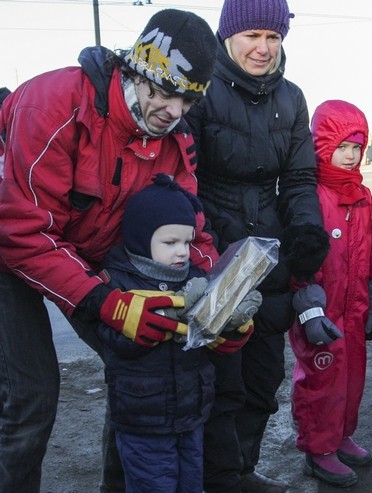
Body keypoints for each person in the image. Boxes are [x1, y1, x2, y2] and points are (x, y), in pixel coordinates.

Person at [0, 10, 218, 493]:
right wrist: (104, 301)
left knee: (143, 366)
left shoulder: (175, 139)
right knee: (30, 397)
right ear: (137, 68)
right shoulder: (52, 106)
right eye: (166, 91)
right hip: (9, 250)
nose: (175, 110)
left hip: (90, 253)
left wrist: (220, 299)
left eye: (188, 99)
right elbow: (21, 232)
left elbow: (191, 229)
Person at [184, 1, 329, 491]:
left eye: (273, 37)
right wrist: (224, 244)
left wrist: (306, 231)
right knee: (221, 380)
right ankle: (217, 478)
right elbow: (188, 179)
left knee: (264, 379)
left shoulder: (291, 98)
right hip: (214, 251)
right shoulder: (200, 94)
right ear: (228, 36)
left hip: (272, 255)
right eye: (252, 36)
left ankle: (242, 469)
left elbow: (299, 177)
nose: (263, 48)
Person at [98, 175, 260, 492]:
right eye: (170, 243)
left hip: (191, 416)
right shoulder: (116, 283)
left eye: (186, 242)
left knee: (190, 485)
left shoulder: (196, 280)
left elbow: (213, 343)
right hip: (143, 421)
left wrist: (231, 322)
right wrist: (169, 314)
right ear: (141, 238)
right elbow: (116, 343)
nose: (182, 252)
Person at [289, 100, 372, 488]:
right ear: (322, 146)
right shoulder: (311, 195)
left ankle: (341, 435)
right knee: (320, 380)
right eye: (341, 146)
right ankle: (318, 449)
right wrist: (307, 305)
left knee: (352, 377)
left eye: (356, 148)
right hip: (322, 312)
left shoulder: (363, 196)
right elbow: (298, 251)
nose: (349, 156)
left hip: (355, 308)